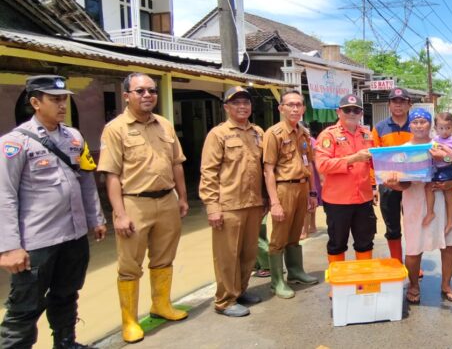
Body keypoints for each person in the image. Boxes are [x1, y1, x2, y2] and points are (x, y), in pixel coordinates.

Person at [0, 75, 106, 349]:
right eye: (55, 99)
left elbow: (86, 180)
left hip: (73, 235)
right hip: (38, 242)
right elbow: (5, 195)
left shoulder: (74, 137)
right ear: (35, 102)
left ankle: (66, 342)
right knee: (25, 307)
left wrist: (96, 219)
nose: (62, 105)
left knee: (67, 294)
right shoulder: (15, 143)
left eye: (64, 99)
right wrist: (9, 247)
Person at [98, 72, 189, 343]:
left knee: (164, 257)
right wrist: (120, 213)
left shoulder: (165, 125)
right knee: (129, 265)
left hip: (166, 200)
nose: (147, 95)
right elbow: (111, 175)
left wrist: (182, 197)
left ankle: (161, 305)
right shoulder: (115, 129)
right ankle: (129, 320)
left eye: (151, 90)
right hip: (134, 202)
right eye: (140, 91)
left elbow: (177, 164)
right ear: (126, 95)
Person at [199, 86, 266, 317]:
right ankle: (225, 300)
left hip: (254, 203)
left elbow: (264, 168)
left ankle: (240, 291)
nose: (242, 106)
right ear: (226, 107)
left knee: (248, 253)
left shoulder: (257, 132)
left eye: (246, 102)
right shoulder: (217, 135)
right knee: (227, 256)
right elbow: (208, 172)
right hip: (229, 205)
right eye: (236, 103)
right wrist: (213, 207)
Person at [382, 108, 452, 305]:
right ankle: (414, 285)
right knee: (414, 248)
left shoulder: (440, 145)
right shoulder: (404, 150)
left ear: (430, 125)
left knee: (449, 244)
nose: (418, 125)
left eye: (423, 122)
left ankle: (446, 285)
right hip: (414, 202)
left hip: (441, 199)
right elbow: (405, 183)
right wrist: (394, 183)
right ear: (410, 125)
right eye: (415, 122)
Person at [261, 90, 319, 299]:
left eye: (299, 105)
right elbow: (268, 170)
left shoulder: (303, 133)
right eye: (290, 105)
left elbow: (309, 164)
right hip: (283, 188)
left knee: (296, 233)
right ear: (281, 108)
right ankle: (277, 281)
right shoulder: (273, 134)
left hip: (302, 187)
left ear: (304, 108)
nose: (295, 108)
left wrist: (312, 192)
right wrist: (274, 202)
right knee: (279, 237)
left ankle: (295, 271)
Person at [316, 94, 376, 265]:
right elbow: (322, 165)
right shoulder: (328, 136)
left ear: (361, 113)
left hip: (363, 198)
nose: (351, 113)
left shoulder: (367, 135)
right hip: (338, 201)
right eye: (347, 110)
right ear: (338, 112)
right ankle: (338, 287)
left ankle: (364, 280)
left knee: (365, 242)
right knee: (337, 244)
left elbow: (375, 163)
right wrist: (352, 159)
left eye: (356, 110)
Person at [372, 88, 413, 264]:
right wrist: (374, 186)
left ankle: (413, 263)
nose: (398, 105)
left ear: (409, 104)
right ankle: (397, 262)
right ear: (388, 105)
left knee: (413, 224)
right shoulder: (379, 128)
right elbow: (373, 160)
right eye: (394, 101)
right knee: (392, 225)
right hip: (388, 184)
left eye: (402, 101)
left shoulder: (418, 124)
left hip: (413, 183)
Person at [424, 112, 452, 234]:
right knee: (429, 187)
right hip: (438, 169)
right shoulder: (434, 140)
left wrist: (450, 155)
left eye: (448, 128)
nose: (444, 131)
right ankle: (430, 212)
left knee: (448, 196)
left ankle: (449, 221)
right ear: (436, 128)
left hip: (449, 169)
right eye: (441, 128)